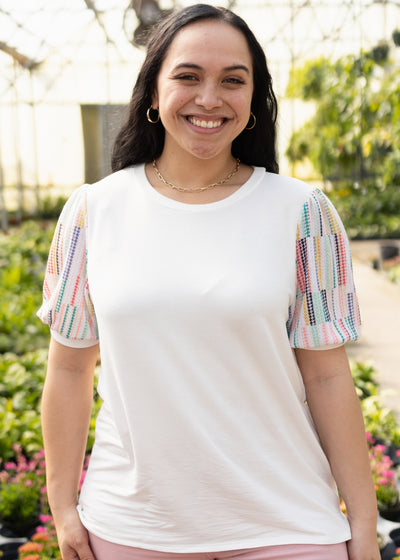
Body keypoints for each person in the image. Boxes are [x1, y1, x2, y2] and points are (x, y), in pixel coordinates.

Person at [38, 4, 380, 560]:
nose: (209, 98)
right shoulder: (91, 211)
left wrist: (364, 525)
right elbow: (70, 366)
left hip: (288, 523)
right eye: (188, 76)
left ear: (253, 100)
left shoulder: (303, 212)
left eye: (232, 81)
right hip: (133, 527)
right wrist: (63, 508)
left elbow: (327, 378)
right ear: (153, 92)